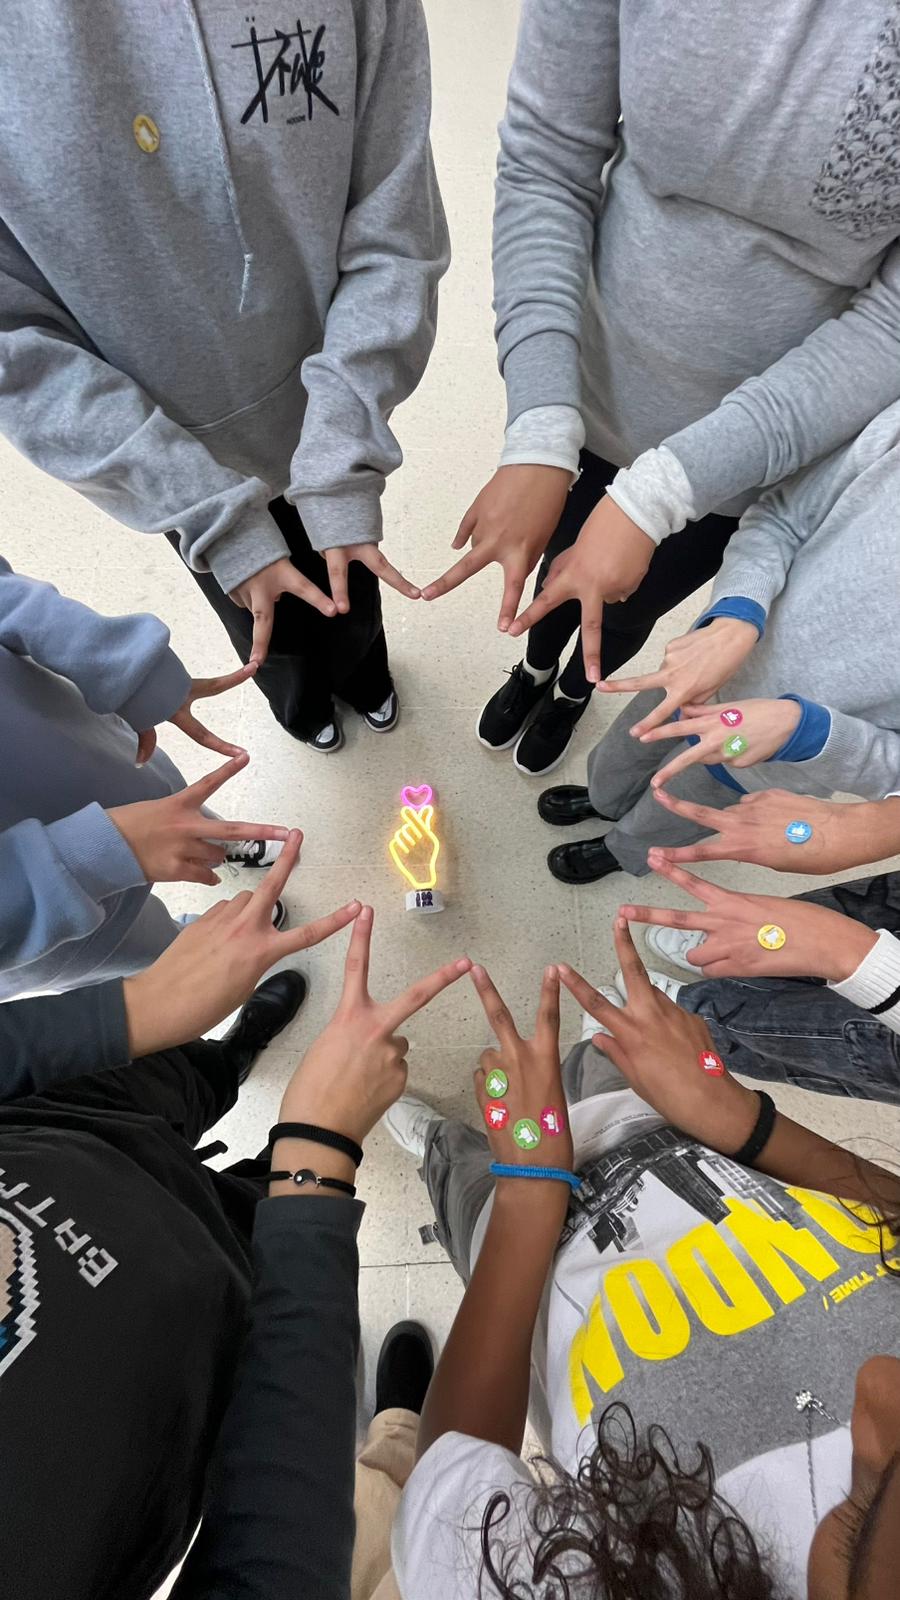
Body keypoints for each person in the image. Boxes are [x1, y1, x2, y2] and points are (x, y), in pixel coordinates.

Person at [422, 0, 900, 777]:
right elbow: (548, 156)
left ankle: (574, 690)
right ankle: (535, 670)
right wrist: (540, 424)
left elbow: (891, 324)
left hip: (753, 448)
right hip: (596, 390)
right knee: (561, 570)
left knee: (629, 605)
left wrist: (661, 495)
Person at [0, 859, 472, 1600]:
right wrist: (317, 1157)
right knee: (265, 1196)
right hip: (209, 1309)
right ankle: (262, 1153)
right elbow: (267, 1565)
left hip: (64, 1116)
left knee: (182, 1075)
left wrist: (135, 1010)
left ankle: (228, 1058)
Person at [385, 930, 900, 1597]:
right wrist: (748, 1123)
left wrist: (527, 1193)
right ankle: (591, 1054)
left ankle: (438, 1143)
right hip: (681, 1133)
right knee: (599, 1066)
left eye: (872, 1501)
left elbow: (447, 1493)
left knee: (461, 1173)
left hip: (514, 1252)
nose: (876, 1378)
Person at [0, 0, 449, 753]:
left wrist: (342, 449)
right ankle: (302, 707)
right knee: (265, 628)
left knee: (351, 591)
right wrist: (208, 512)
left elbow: (393, 223)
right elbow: (18, 351)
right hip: (174, 453)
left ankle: (365, 675)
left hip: (328, 414)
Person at [536, 406, 900, 882]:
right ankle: (604, 800)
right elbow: (784, 516)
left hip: (770, 757)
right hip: (698, 671)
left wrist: (808, 732)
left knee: (675, 812)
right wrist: (738, 611)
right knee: (625, 750)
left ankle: (621, 849)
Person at [0, 555, 290, 997]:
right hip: (39, 924)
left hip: (77, 753)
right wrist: (90, 856)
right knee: (153, 949)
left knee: (181, 815)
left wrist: (128, 671)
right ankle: (214, 946)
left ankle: (223, 848)